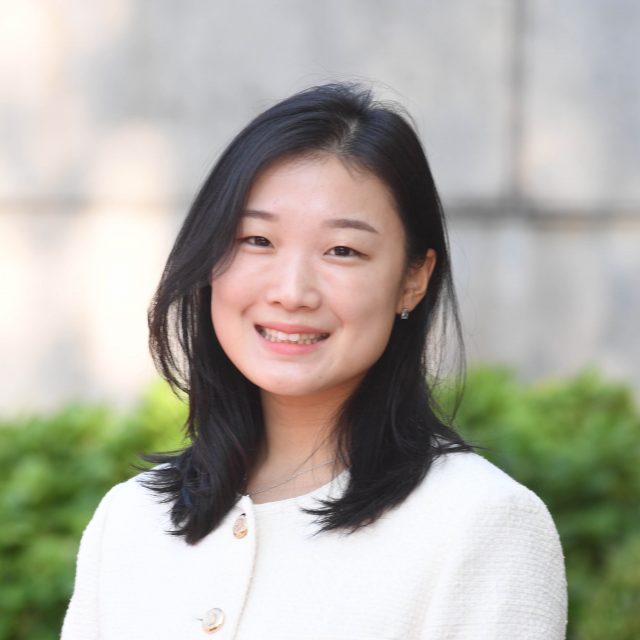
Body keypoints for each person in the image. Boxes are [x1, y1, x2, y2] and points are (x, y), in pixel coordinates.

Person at [61, 83, 567, 639]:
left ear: (413, 279)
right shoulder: (130, 521)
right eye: (257, 240)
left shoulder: (480, 521)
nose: (291, 292)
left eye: (342, 250)